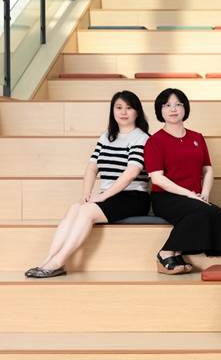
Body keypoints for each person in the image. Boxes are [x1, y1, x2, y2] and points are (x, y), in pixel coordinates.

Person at [25, 91, 150, 278]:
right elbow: (91, 168)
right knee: (75, 207)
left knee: (87, 211)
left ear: (137, 112)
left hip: (134, 197)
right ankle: (48, 259)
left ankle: (58, 262)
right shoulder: (106, 137)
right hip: (109, 195)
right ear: (112, 111)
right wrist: (86, 194)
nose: (123, 112)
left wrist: (101, 197)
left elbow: (131, 173)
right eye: (119, 107)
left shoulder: (142, 138)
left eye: (129, 108)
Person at [143, 88, 221, 274]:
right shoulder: (155, 141)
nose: (173, 109)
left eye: (178, 104)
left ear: (185, 108)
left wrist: (204, 194)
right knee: (201, 212)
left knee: (217, 213)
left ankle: (176, 253)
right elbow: (157, 178)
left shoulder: (197, 137)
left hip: (195, 196)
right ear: (160, 110)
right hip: (166, 197)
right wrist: (189, 194)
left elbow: (207, 169)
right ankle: (165, 252)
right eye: (167, 105)